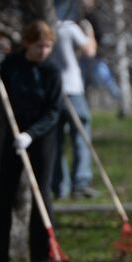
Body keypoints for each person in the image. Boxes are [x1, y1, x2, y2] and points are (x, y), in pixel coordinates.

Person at [0, 20, 63, 262]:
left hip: (41, 138)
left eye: (48, 46)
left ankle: (42, 256)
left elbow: (53, 111)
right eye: (39, 46)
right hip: (12, 136)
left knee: (42, 195)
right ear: (27, 43)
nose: (44, 51)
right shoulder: (13, 65)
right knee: (3, 192)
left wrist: (31, 134)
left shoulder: (52, 71)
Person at [50, 16, 98, 198]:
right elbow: (89, 50)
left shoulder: (46, 26)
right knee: (81, 135)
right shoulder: (68, 27)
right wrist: (90, 33)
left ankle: (60, 186)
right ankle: (80, 183)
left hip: (53, 91)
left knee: (56, 139)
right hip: (72, 90)